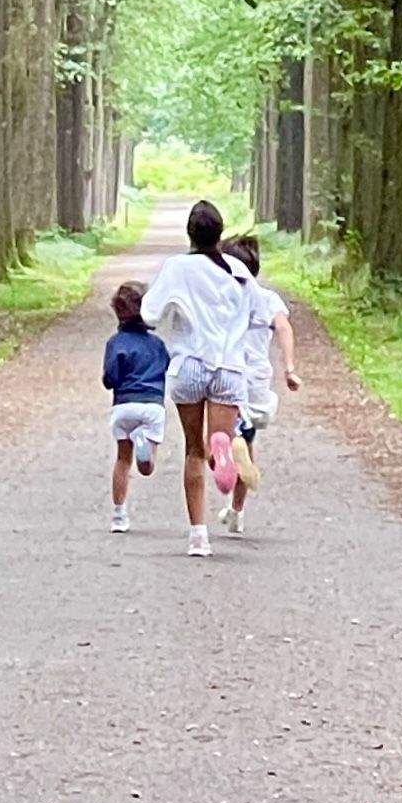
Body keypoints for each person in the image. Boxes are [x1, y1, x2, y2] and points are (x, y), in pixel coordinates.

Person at [143, 196, 255, 557]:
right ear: (220, 232)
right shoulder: (239, 271)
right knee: (217, 441)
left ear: (189, 233)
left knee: (193, 450)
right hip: (229, 368)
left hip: (190, 364)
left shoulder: (177, 268)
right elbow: (253, 316)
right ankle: (221, 448)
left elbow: (149, 314)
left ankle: (198, 537)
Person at [221, 230, 299, 538]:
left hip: (228, 374)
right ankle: (237, 512)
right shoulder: (268, 299)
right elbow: (284, 327)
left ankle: (228, 453)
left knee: (218, 435)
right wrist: (289, 368)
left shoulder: (224, 298)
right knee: (247, 439)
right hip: (256, 380)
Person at [103, 282, 168, 532]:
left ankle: (119, 516)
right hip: (151, 405)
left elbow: (110, 378)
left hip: (123, 406)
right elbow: (167, 368)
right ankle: (144, 444)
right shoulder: (157, 344)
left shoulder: (115, 343)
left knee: (122, 459)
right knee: (147, 467)